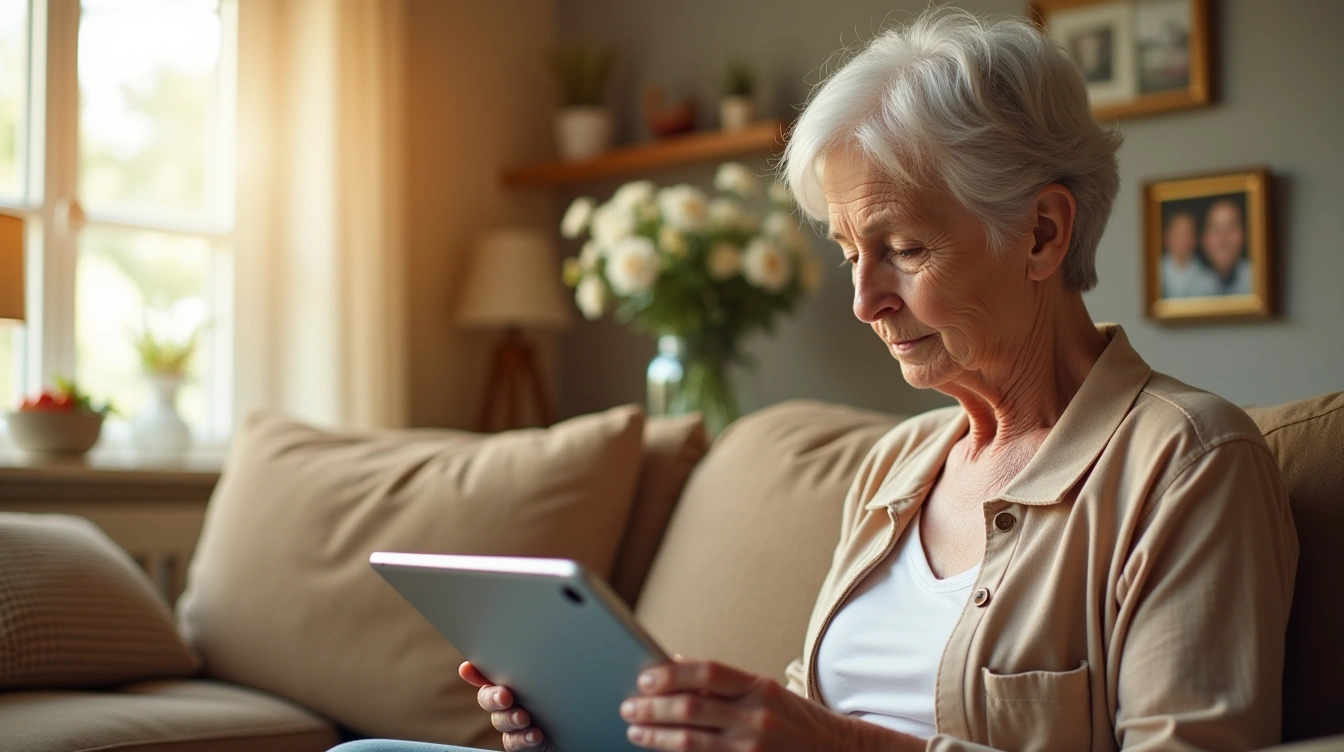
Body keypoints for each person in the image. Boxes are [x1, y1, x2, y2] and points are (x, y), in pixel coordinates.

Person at [331, 9, 1296, 752]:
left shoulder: (1184, 464)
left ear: (1042, 233)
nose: (865, 301)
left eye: (903, 249)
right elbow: (808, 713)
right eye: (848, 253)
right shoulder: (895, 467)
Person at [1160, 210, 1218, 297]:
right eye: (1178, 233)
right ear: (1167, 237)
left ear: (1195, 239)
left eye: (1188, 233)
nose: (1183, 239)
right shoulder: (1154, 272)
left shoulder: (1208, 278)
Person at [1202, 198, 1253, 295]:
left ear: (1244, 234)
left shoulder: (1259, 280)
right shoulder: (1192, 286)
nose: (1223, 239)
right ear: (1203, 238)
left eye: (1231, 228)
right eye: (1215, 229)